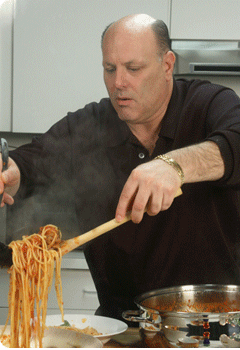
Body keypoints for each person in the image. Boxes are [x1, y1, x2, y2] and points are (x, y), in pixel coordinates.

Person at [0, 14, 240, 322]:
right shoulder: (89, 125)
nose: (119, 83)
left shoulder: (207, 104)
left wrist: (175, 165)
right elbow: (32, 162)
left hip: (211, 327)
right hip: (119, 327)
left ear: (167, 65)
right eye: (109, 69)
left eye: (133, 68)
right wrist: (12, 172)